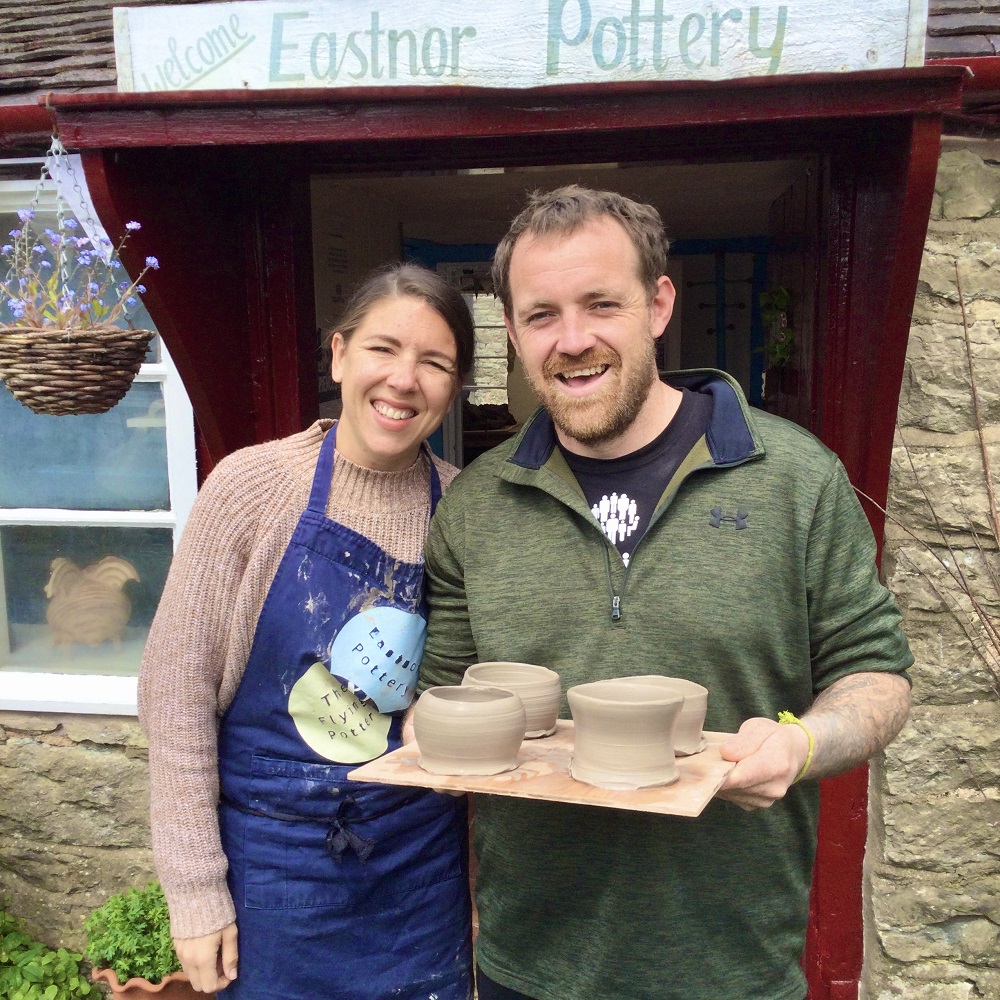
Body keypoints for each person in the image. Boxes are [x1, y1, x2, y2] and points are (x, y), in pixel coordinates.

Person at [417, 186, 913, 1000]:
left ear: (657, 304)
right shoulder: (475, 506)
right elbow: (443, 697)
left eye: (601, 304)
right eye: (541, 315)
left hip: (734, 969)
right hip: (529, 969)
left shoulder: (793, 478)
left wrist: (802, 743)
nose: (571, 341)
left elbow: (879, 677)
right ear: (509, 330)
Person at [139, 263, 477, 1000]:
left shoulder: (466, 511)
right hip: (272, 874)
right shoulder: (250, 488)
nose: (404, 379)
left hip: (419, 878)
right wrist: (194, 893)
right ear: (338, 355)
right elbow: (175, 696)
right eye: (383, 348)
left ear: (454, 386)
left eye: (435, 362)